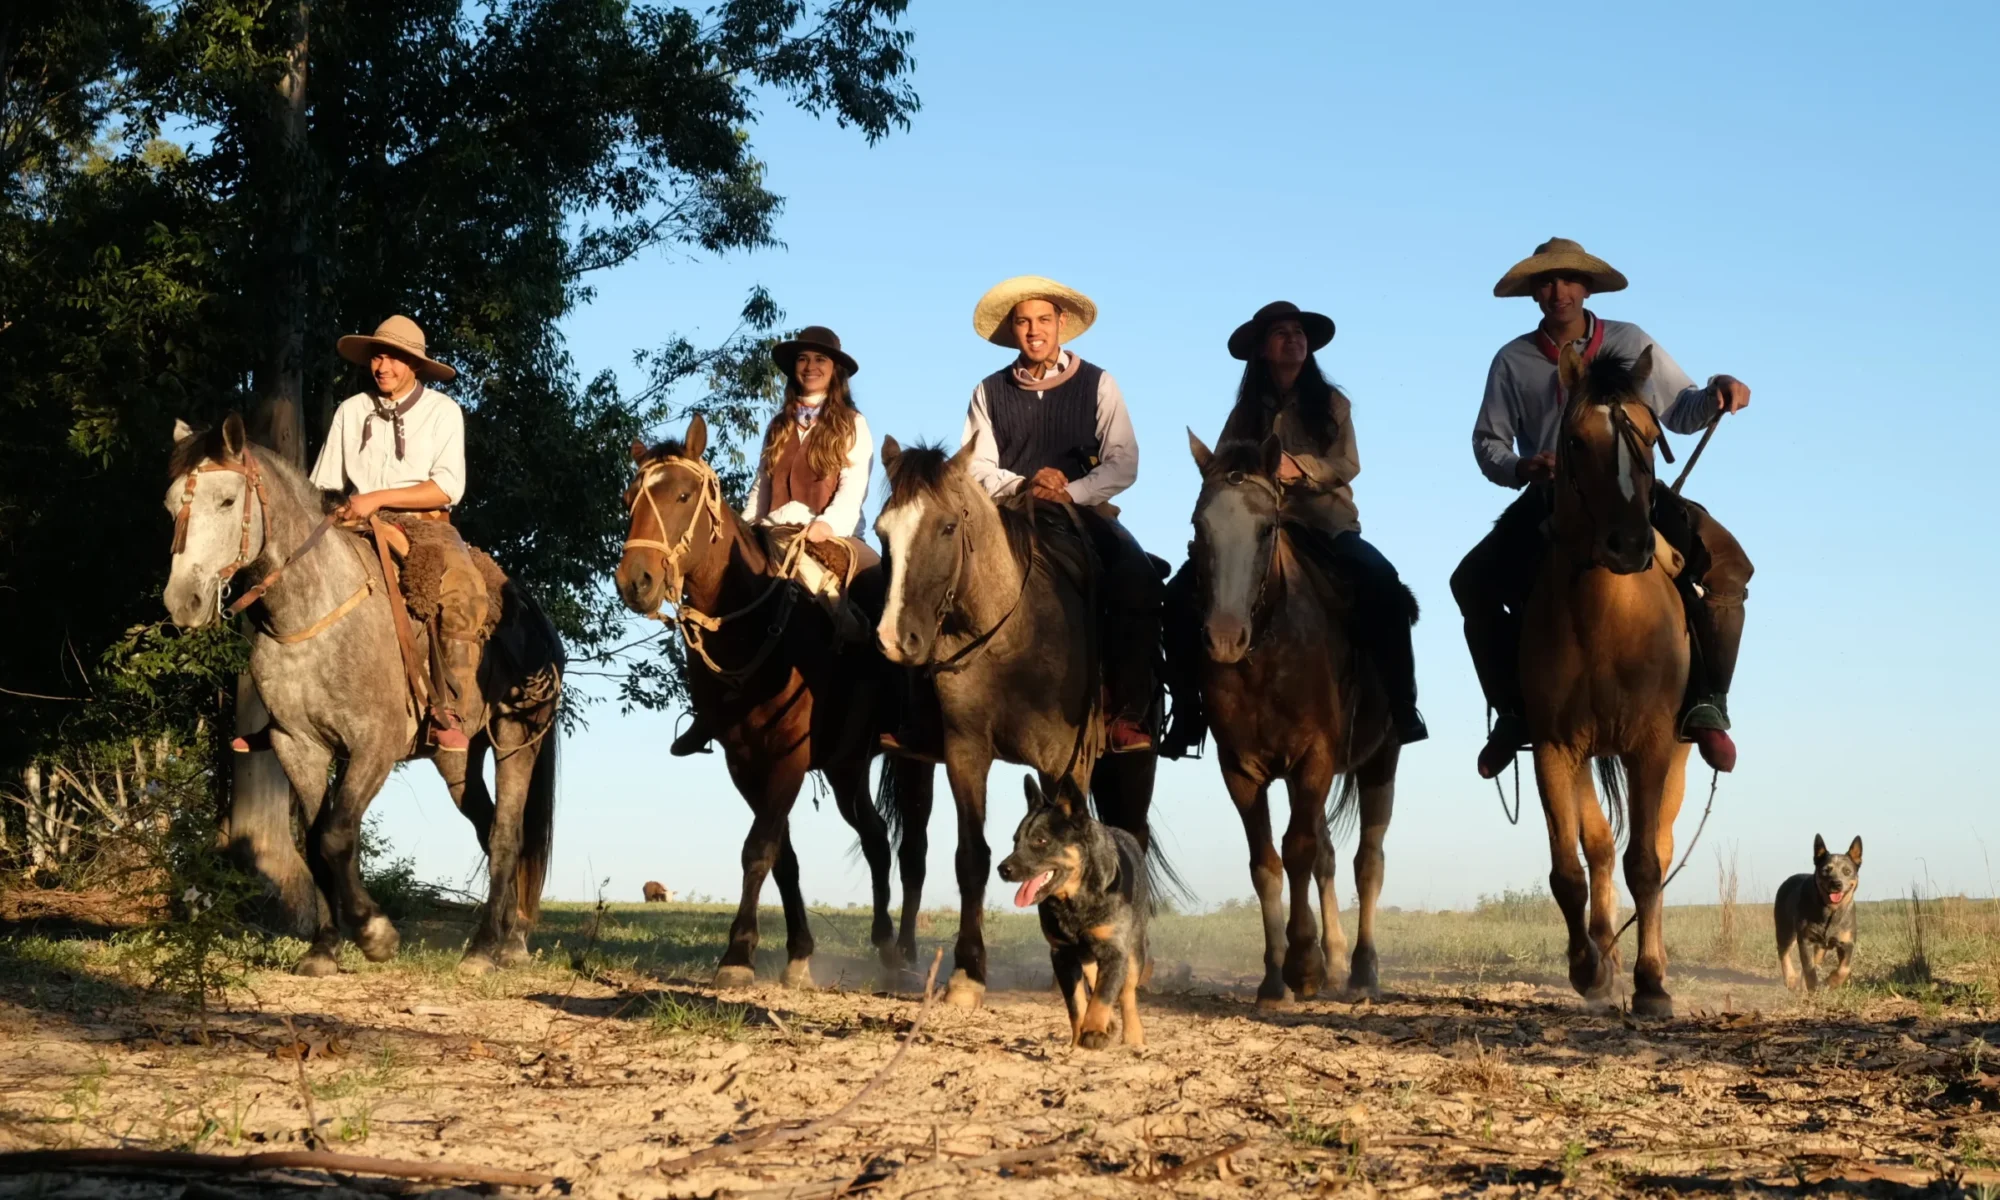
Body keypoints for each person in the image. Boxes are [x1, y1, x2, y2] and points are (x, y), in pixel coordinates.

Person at [1452, 238, 1753, 778]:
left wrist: (1716, 392)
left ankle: (1709, 700)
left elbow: (1681, 409)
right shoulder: (1513, 360)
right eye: (1546, 282)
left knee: (1728, 566)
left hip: (1632, 490)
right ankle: (1513, 710)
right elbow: (1488, 442)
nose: (1558, 291)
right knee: (1470, 582)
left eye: (1569, 280)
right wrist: (1522, 467)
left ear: (1587, 288)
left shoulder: (1629, 340)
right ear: (1533, 293)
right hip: (1552, 496)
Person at [1159, 302, 1426, 759]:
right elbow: (1222, 475)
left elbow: (1347, 464)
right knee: (1177, 600)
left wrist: (1298, 469)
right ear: (1263, 350)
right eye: (1281, 333)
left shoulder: (1333, 404)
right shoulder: (1244, 413)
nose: (1293, 339)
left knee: (1383, 583)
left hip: (1325, 525)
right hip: (1256, 531)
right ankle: (1188, 713)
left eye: (1298, 332)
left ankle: (1401, 706)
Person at [956, 275, 1160, 754]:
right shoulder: (988, 390)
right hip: (1009, 514)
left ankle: (1126, 712)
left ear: (1061, 324)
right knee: (940, 573)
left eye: (1043, 319)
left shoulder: (1099, 382)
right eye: (1024, 321)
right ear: (1013, 330)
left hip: (1084, 511)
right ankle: (935, 714)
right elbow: (977, 465)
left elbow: (1124, 460)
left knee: (1138, 578)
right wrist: (1027, 485)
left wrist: (1071, 490)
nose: (1034, 330)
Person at [670, 325, 879, 757]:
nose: (812, 367)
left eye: (821, 360)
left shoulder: (853, 424)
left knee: (876, 593)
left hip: (829, 533)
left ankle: (886, 702)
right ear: (794, 369)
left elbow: (853, 489)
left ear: (836, 370)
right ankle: (708, 708)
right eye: (803, 359)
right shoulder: (777, 425)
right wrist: (741, 532)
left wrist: (826, 525)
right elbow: (759, 490)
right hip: (773, 532)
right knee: (716, 602)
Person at [309, 314, 482, 753]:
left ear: (416, 365)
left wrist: (376, 498)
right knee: (293, 573)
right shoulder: (351, 411)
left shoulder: (443, 411)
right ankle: (286, 707)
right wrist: (338, 514)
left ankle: (448, 706)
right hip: (354, 520)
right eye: (377, 356)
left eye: (394, 358)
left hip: (425, 526)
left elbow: (447, 487)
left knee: (462, 590)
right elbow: (324, 485)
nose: (382, 366)